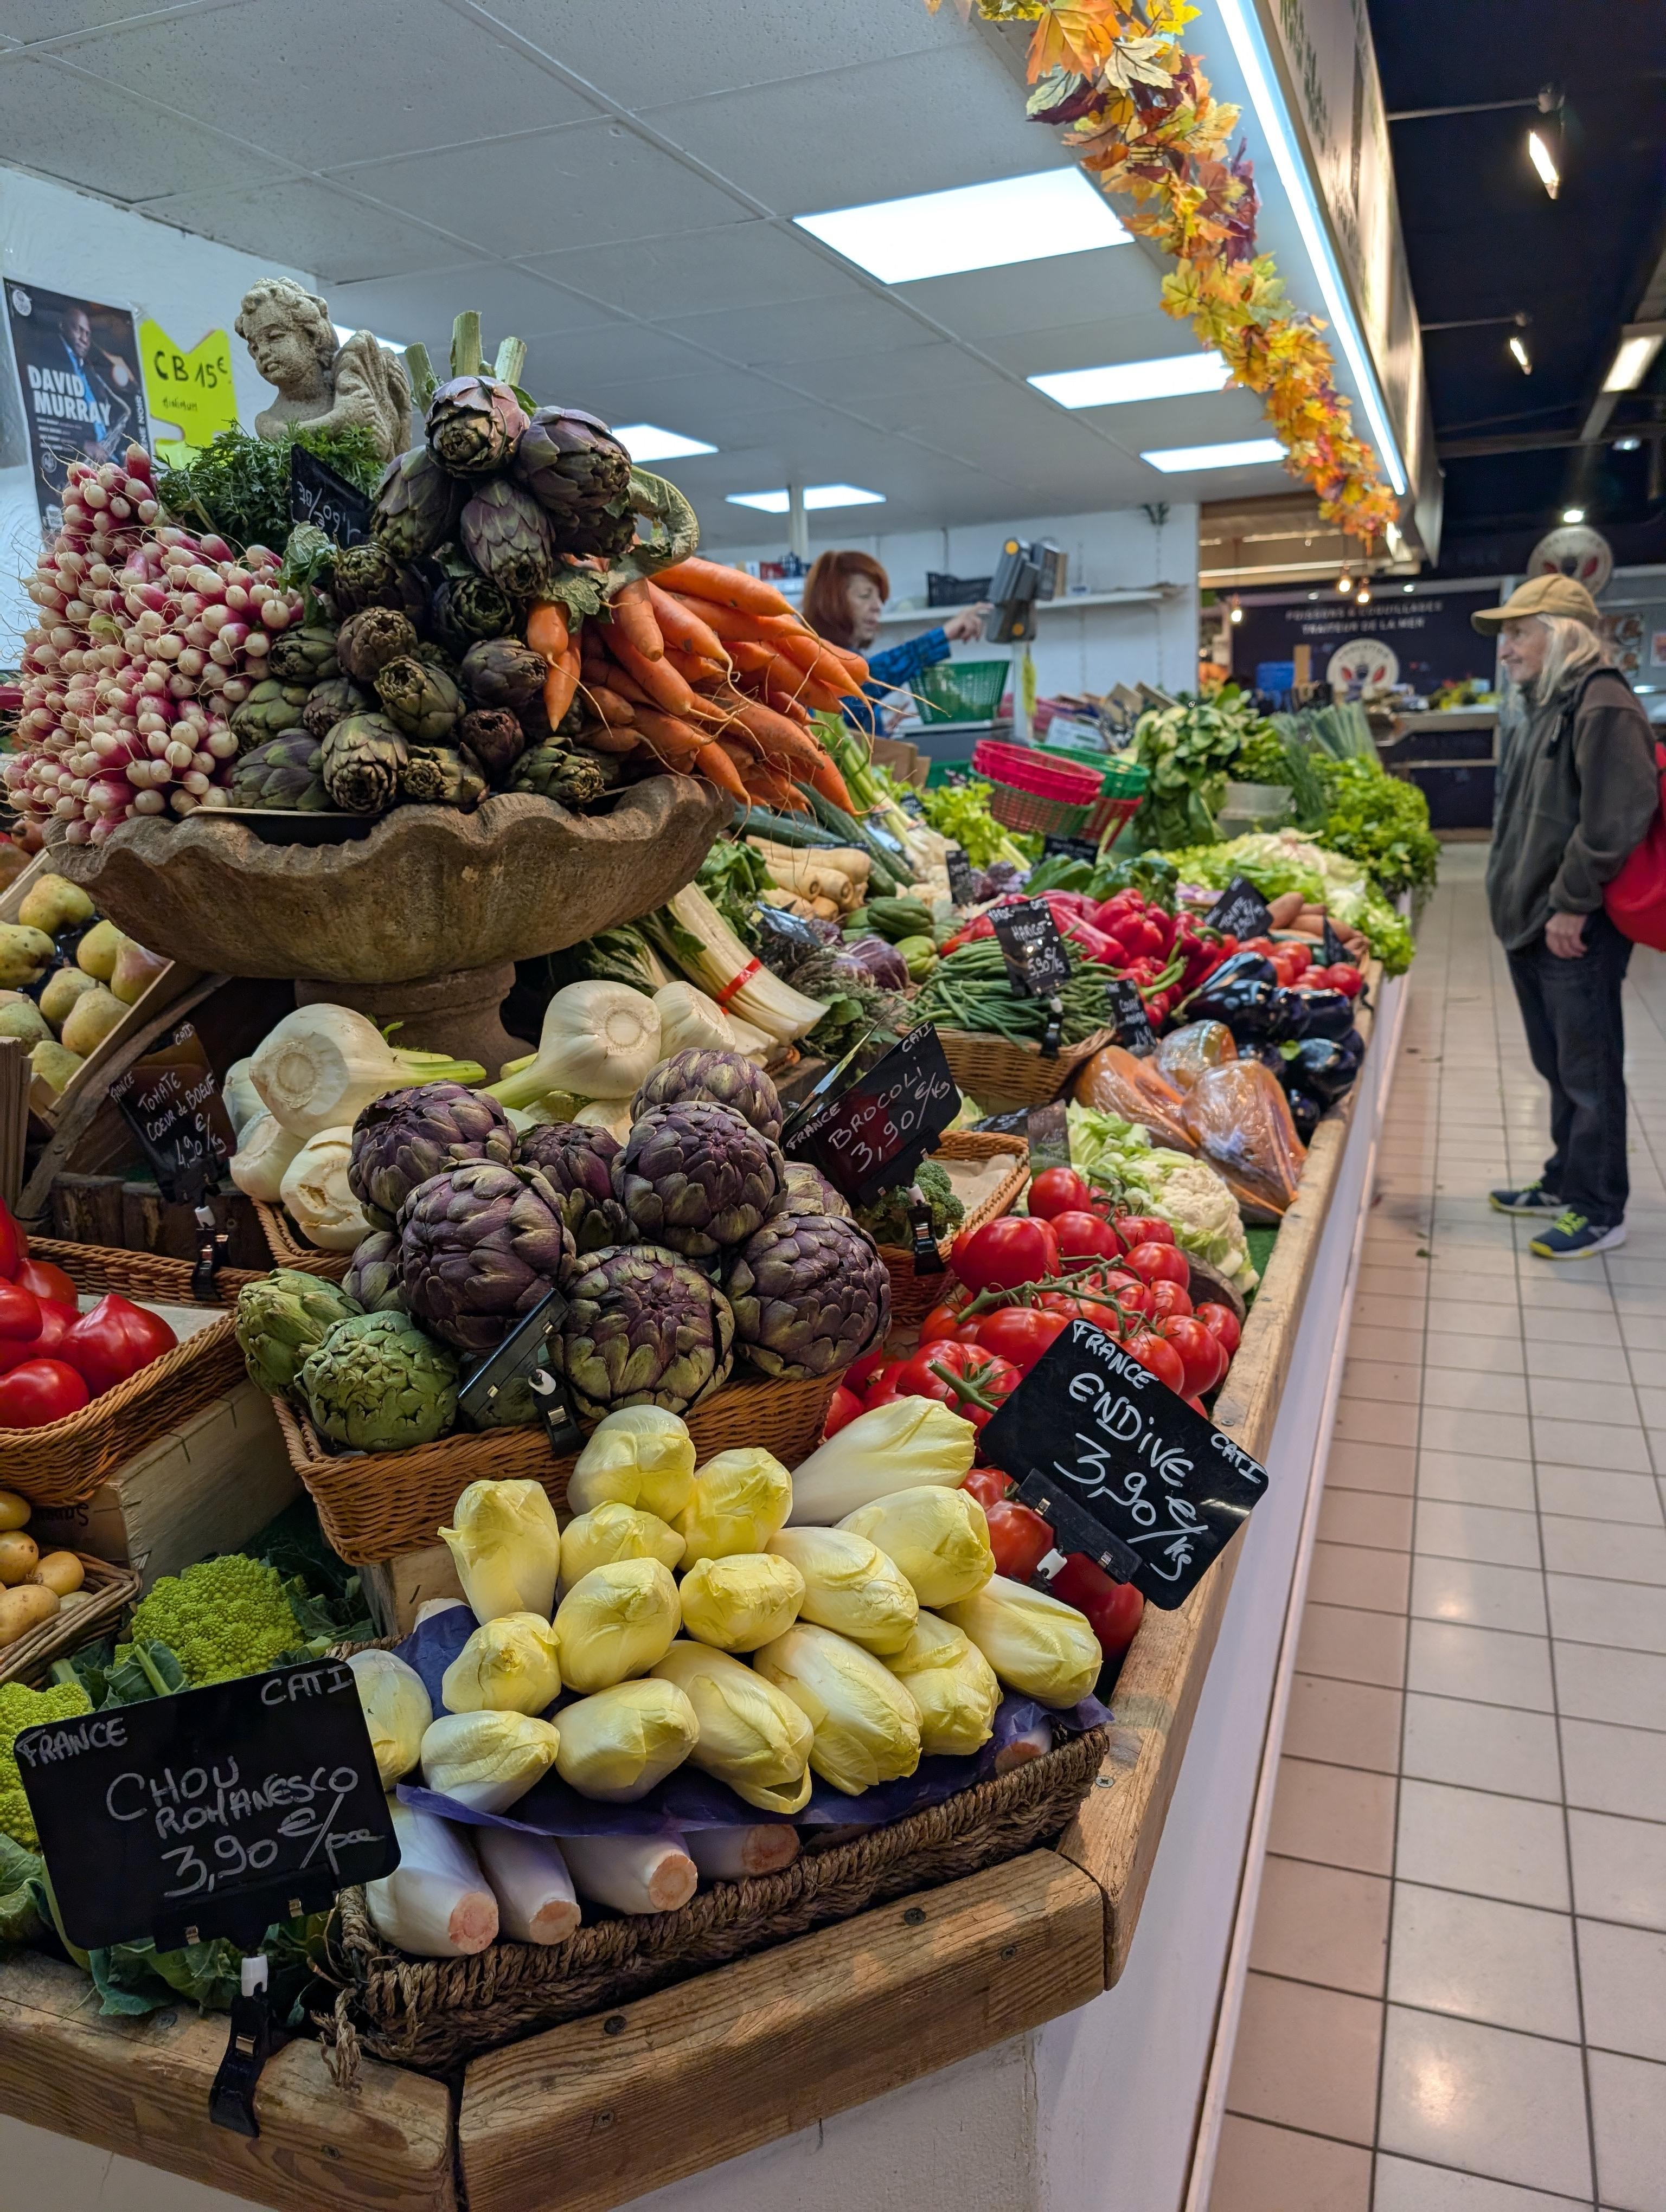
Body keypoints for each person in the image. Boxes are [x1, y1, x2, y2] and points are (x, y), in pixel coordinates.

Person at [1478, 574, 1659, 1259]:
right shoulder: (1544, 704)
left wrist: (1572, 903)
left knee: (1589, 1072)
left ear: (1562, 634)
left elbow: (1617, 815)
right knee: (1558, 1065)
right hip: (1533, 919)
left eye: (1518, 632)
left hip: (1570, 925)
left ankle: (1599, 1206)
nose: (1507, 650)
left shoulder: (1602, 702)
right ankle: (1564, 1179)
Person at [803, 550, 991, 735]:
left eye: (879, 597)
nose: (878, 606)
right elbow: (865, 682)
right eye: (865, 596)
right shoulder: (817, 662)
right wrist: (941, 636)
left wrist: (880, 734)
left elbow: (851, 717)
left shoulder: (851, 657)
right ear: (832, 601)